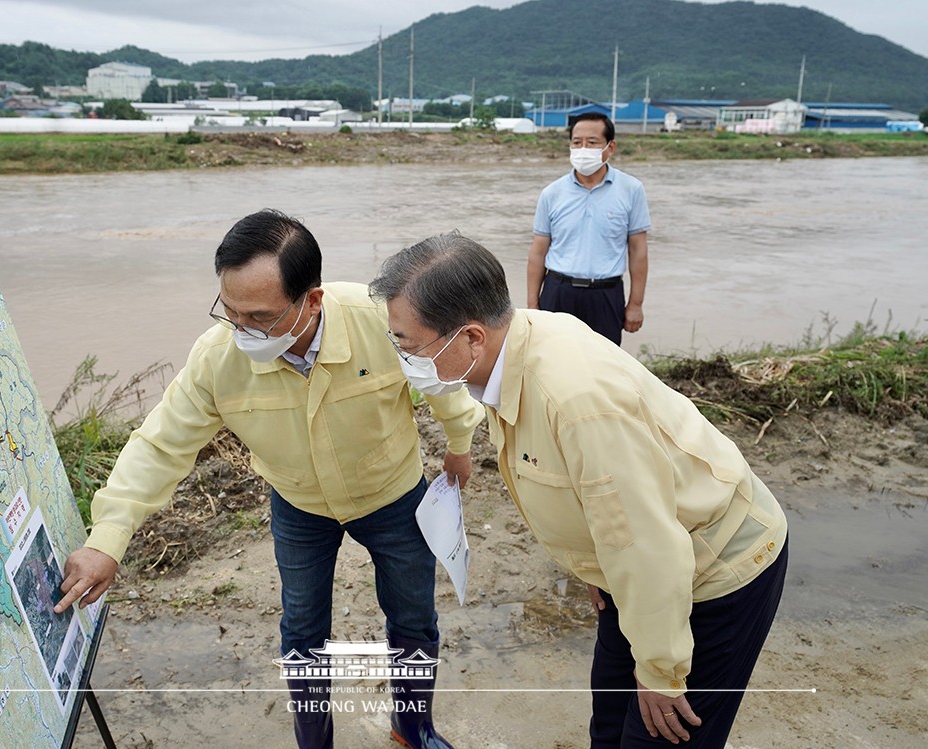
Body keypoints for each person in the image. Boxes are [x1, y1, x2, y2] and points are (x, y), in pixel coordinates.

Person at [54, 210, 482, 749]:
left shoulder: (382, 321)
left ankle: (413, 727)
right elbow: (159, 445)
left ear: (313, 300)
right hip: (299, 504)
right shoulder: (217, 358)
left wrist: (461, 445)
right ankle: (313, 741)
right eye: (228, 311)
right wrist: (107, 539)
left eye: (259, 316)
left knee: (414, 618)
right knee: (303, 630)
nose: (240, 329)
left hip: (392, 494)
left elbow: (442, 379)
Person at [371, 232, 788, 749]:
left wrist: (661, 671)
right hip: (630, 571)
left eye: (407, 344)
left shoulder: (576, 402)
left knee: (660, 732)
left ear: (471, 337)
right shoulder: (512, 349)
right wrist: (591, 563)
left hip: (713, 568)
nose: (401, 357)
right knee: (610, 726)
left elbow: (646, 544)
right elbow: (600, 504)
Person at [527, 112, 651, 345]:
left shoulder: (631, 190)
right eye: (577, 142)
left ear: (610, 147)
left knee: (603, 368)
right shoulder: (552, 193)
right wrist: (533, 305)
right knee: (553, 363)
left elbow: (638, 250)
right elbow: (538, 252)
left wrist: (635, 304)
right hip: (558, 292)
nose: (583, 149)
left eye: (592, 143)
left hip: (605, 294)